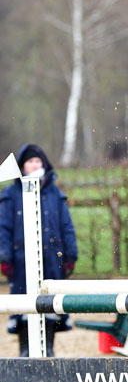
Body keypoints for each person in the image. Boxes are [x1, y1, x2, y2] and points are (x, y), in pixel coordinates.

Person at [0, 144, 78, 356]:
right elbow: (3, 228)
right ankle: (25, 349)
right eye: (30, 162)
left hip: (53, 258)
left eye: (38, 162)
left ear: (43, 165)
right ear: (22, 166)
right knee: (23, 304)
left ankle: (49, 349)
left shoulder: (55, 194)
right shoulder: (10, 195)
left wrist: (71, 255)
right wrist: (4, 256)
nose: (34, 165)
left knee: (49, 303)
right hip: (20, 260)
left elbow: (66, 226)